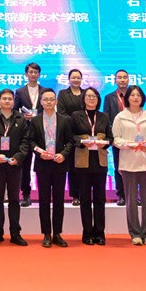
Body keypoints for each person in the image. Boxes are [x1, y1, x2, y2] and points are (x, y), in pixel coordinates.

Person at [113, 85, 146, 245]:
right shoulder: (120, 117)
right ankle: (135, 233)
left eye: (138, 95)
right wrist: (128, 144)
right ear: (127, 98)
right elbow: (116, 139)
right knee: (131, 201)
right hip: (129, 163)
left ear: (142, 98)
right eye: (132, 95)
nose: (135, 98)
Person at [26, 88, 73, 247]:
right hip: (43, 165)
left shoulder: (65, 120)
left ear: (56, 101)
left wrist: (63, 155)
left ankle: (57, 233)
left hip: (59, 164)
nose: (48, 102)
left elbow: (70, 141)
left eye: (52, 99)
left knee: (59, 200)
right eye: (45, 99)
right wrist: (40, 154)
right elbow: (31, 142)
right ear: (41, 102)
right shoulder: (35, 120)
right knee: (44, 200)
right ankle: (46, 234)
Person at [0, 89, 29, 246]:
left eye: (10, 99)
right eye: (4, 98)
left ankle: (15, 233)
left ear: (13, 101)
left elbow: (25, 141)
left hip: (15, 165)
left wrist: (18, 157)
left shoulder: (20, 118)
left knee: (14, 199)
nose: (7, 101)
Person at [72, 87, 113, 245]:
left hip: (100, 161)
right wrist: (83, 141)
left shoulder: (104, 116)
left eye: (94, 96)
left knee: (100, 199)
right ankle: (87, 233)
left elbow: (110, 137)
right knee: (85, 200)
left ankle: (100, 233)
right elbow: (71, 136)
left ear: (98, 99)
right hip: (83, 162)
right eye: (88, 96)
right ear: (83, 98)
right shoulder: (76, 116)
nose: (91, 98)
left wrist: (105, 143)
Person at [14, 63, 46, 207]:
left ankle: (44, 193)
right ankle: (26, 194)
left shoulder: (45, 91)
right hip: (25, 131)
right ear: (26, 74)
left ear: (39, 74)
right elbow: (15, 111)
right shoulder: (20, 91)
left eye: (36, 72)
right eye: (31, 72)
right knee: (25, 165)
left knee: (43, 162)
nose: (33, 74)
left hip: (42, 131)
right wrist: (23, 116)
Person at [58, 68, 85, 205]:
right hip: (69, 132)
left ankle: (84, 193)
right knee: (72, 166)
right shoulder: (63, 94)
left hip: (84, 133)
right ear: (69, 79)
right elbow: (61, 112)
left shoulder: (86, 93)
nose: (76, 80)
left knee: (84, 165)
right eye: (73, 77)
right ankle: (75, 195)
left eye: (78, 77)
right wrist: (76, 122)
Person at [103, 69, 130, 206]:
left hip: (133, 137)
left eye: (125, 77)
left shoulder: (134, 95)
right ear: (115, 80)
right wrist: (112, 135)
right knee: (119, 166)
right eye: (119, 77)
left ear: (128, 79)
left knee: (133, 167)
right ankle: (121, 195)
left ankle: (133, 195)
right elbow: (106, 118)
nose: (122, 80)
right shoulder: (109, 97)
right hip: (117, 137)